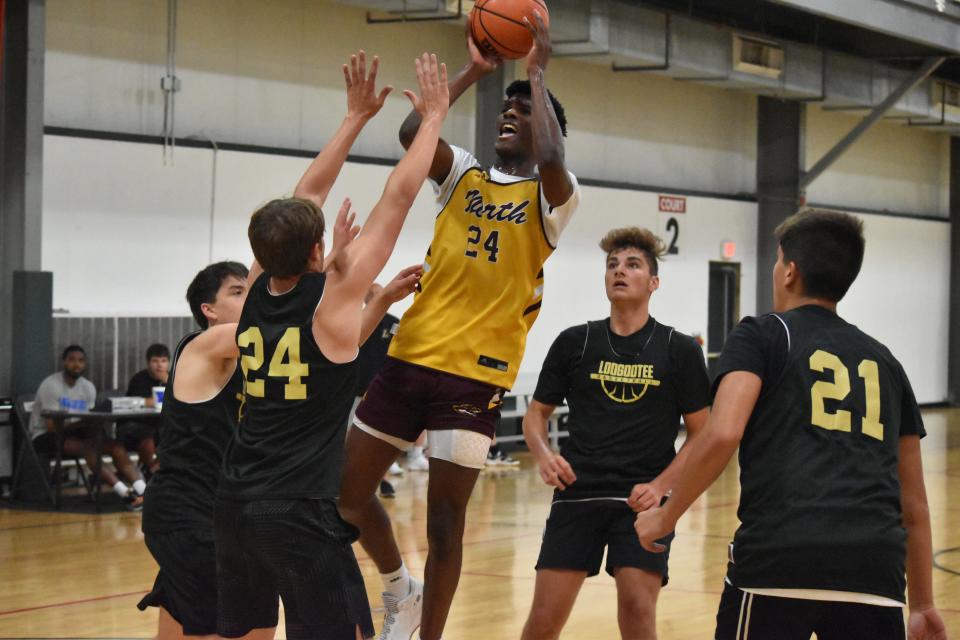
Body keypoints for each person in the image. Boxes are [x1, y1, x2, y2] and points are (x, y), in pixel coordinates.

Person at [338, 13, 582, 640]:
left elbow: (552, 155)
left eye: (523, 111)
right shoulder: (464, 176)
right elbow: (411, 131)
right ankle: (400, 588)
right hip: (409, 357)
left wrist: (536, 71)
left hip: (473, 381)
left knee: (445, 526)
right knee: (345, 494)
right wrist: (474, 71)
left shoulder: (555, 200)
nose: (510, 114)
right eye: (507, 107)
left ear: (547, 128)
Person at [196, 51, 448, 640]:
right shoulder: (331, 303)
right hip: (298, 511)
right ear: (318, 253)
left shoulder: (255, 290)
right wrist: (433, 117)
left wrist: (355, 117)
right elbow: (398, 197)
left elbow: (306, 192)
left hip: (232, 503)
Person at [635, 209, 949, 640]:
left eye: (778, 262)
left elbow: (724, 431)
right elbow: (914, 503)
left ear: (789, 273)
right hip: (874, 574)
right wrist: (926, 603)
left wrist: (667, 515)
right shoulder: (887, 362)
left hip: (778, 562)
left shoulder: (761, 335)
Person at [520, 228, 710, 640]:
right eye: (612, 265)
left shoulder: (679, 350)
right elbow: (535, 415)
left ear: (653, 283)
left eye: (632, 265)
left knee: (638, 611)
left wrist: (661, 487)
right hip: (578, 493)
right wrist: (543, 454)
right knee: (543, 620)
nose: (619, 271)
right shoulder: (575, 342)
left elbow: (702, 435)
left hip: (642, 502)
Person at [138, 261, 249, 640]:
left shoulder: (237, 359)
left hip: (203, 513)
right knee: (214, 631)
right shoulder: (202, 344)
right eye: (237, 291)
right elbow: (270, 318)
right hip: (184, 516)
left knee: (174, 630)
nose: (250, 297)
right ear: (209, 310)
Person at [29, 345, 145, 510]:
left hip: (76, 433)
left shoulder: (88, 387)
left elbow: (88, 418)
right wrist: (82, 424)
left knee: (115, 447)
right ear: (64, 362)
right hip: (46, 436)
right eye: (72, 360)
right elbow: (51, 427)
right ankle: (125, 494)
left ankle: (144, 491)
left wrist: (91, 426)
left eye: (80, 361)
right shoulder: (51, 385)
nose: (76, 364)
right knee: (89, 448)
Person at [353, 283, 402, 498]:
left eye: (376, 293)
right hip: (352, 391)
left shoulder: (394, 324)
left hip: (381, 392)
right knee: (350, 439)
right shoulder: (354, 320)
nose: (372, 296)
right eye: (369, 293)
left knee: (377, 440)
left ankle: (383, 481)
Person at [118, 342, 170, 476]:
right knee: (148, 436)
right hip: (134, 424)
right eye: (155, 361)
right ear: (148, 363)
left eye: (163, 361)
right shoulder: (139, 379)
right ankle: (154, 471)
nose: (160, 365)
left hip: (160, 425)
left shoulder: (173, 379)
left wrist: (168, 381)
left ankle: (162, 470)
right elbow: (138, 402)